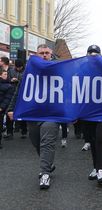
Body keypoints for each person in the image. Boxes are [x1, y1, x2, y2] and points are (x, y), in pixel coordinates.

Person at [7, 44, 60, 189]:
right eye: (41, 53)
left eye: (47, 53)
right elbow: (19, 91)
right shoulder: (30, 72)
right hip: (34, 114)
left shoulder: (59, 70)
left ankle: (44, 174)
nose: (44, 55)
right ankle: (48, 163)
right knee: (36, 141)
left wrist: (72, 113)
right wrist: (11, 108)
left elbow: (70, 91)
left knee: (47, 142)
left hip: (52, 114)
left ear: (51, 54)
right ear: (36, 55)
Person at [82, 45, 102, 184]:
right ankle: (96, 167)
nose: (93, 54)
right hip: (88, 112)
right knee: (92, 140)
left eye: (96, 53)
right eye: (90, 52)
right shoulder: (81, 69)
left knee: (100, 138)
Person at [0, 70, 14, 149]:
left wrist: (2, 107)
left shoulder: (9, 86)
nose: (7, 75)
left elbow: (8, 98)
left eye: (7, 74)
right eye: (5, 74)